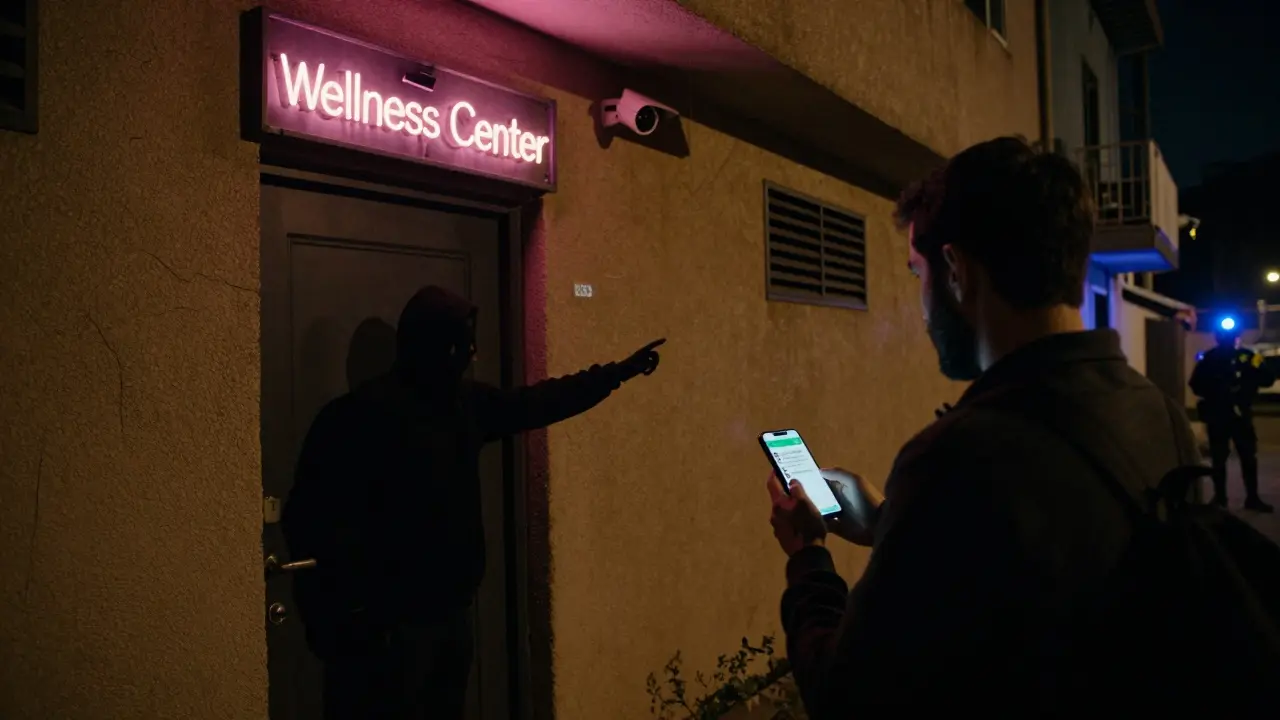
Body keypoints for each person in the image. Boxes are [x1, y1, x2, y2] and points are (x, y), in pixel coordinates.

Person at [764, 137, 1205, 714]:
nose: (922, 307)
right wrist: (893, 522)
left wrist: (808, 558)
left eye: (918, 272)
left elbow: (846, 693)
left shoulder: (956, 460)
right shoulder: (1159, 415)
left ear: (956, 269)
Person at [282, 285, 665, 720]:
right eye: (463, 344)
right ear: (438, 347)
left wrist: (617, 373)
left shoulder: (463, 403)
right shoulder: (356, 418)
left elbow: (539, 402)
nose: (474, 354)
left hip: (448, 621)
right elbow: (309, 522)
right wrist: (342, 622)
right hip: (384, 635)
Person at [1189, 324, 1276, 512]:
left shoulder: (1247, 357)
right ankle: (1224, 498)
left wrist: (1248, 380)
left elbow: (1268, 377)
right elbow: (1196, 384)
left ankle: (1245, 498)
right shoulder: (1211, 358)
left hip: (1235, 415)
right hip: (1222, 415)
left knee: (1243, 458)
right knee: (1223, 459)